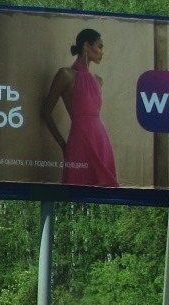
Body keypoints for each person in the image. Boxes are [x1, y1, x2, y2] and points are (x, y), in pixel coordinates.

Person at [41, 28, 118, 187]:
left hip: (100, 139)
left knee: (105, 189)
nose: (102, 52)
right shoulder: (66, 75)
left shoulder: (98, 81)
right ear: (86, 46)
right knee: (75, 189)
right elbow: (46, 112)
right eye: (100, 46)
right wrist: (63, 145)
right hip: (79, 139)